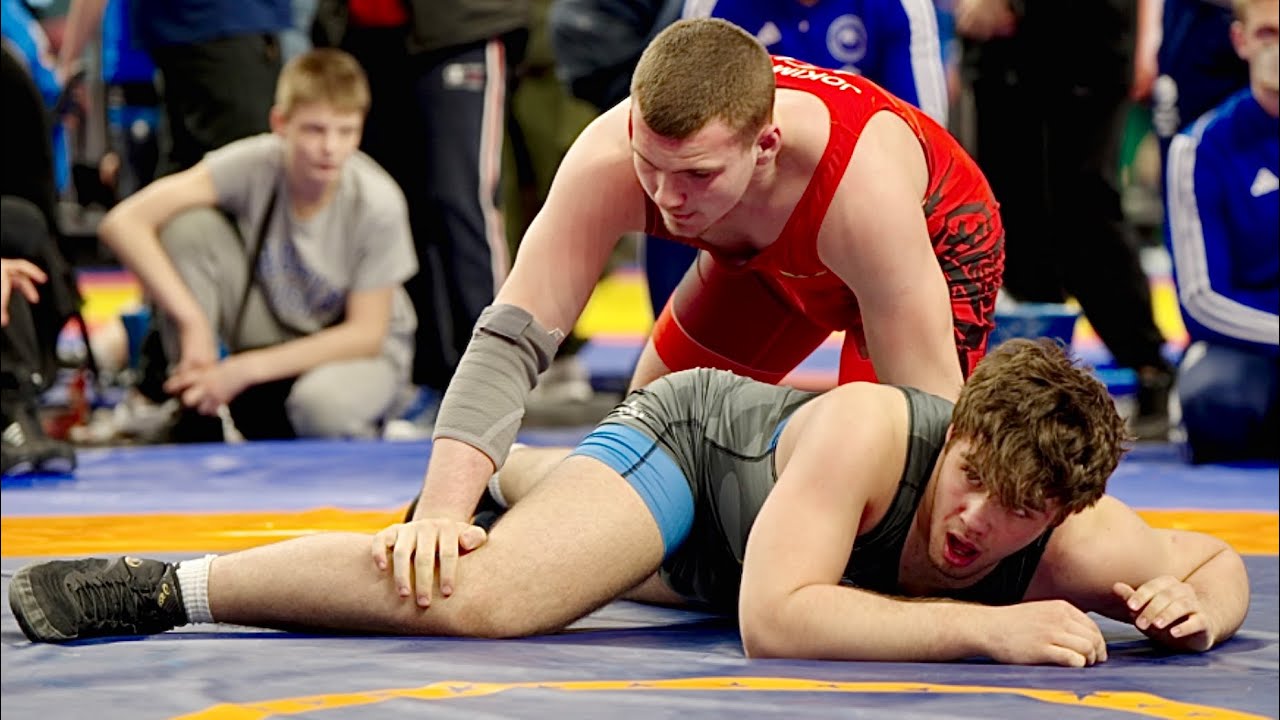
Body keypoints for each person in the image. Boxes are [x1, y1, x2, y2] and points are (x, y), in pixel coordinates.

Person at [8, 339, 1251, 667]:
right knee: (494, 595)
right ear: (959, 430)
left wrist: (1184, 607)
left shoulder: (1071, 522)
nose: (973, 521)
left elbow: (1208, 562)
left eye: (1011, 517)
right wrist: (982, 624)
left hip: (706, 556)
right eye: (968, 479)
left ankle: (525, 473)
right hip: (703, 457)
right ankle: (163, 588)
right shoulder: (876, 427)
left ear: (1060, 515)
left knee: (569, 532)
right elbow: (776, 620)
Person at [406, 18, 1004, 565]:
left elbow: (931, 425)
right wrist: (440, 512)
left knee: (877, 490)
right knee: (642, 438)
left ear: (764, 148)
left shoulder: (863, 197)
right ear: (634, 124)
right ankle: (509, 479)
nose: (667, 199)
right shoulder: (608, 157)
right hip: (770, 258)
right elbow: (512, 335)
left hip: (937, 240)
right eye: (650, 165)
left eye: (697, 175)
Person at [94, 48, 418, 440]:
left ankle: (379, 420)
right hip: (275, 323)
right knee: (187, 227)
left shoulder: (378, 201)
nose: (330, 148)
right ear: (280, 123)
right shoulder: (256, 162)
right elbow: (123, 222)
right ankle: (197, 402)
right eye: (315, 130)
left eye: (345, 131)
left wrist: (241, 370)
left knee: (320, 410)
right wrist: (192, 321)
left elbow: (365, 334)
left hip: (360, 351)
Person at [645, 0, 952, 326]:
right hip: (743, 206)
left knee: (919, 217)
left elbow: (926, 147)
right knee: (677, 187)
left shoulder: (900, 6)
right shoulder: (712, 6)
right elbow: (677, 138)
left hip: (860, 208)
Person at [957, 0, 1176, 440]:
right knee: (1012, 211)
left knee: (1084, 208)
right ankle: (1035, 377)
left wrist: (1149, 36)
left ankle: (1147, 365)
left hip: (1085, 34)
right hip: (1007, 49)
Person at [1164, 0, 1278, 464]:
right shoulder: (1199, 147)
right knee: (1214, 400)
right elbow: (1199, 300)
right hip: (1247, 348)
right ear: (1241, 40)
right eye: (1268, 33)